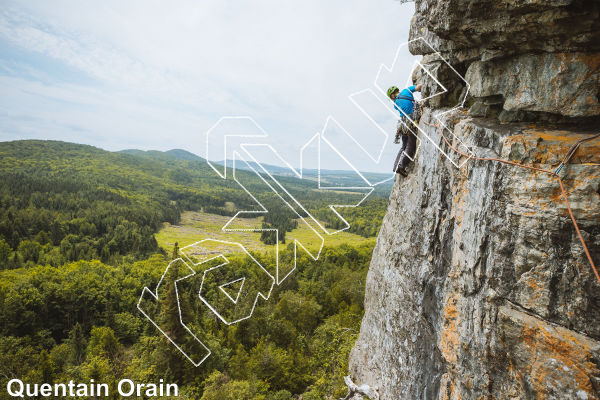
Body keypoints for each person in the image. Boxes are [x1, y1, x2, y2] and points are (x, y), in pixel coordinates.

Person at [388, 83, 422, 176]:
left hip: (402, 125)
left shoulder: (395, 103)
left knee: (403, 146)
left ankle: (395, 167)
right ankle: (401, 166)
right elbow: (419, 86)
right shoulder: (406, 90)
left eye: (391, 98)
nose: (392, 100)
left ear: (392, 95)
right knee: (410, 147)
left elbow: (405, 107)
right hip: (411, 123)